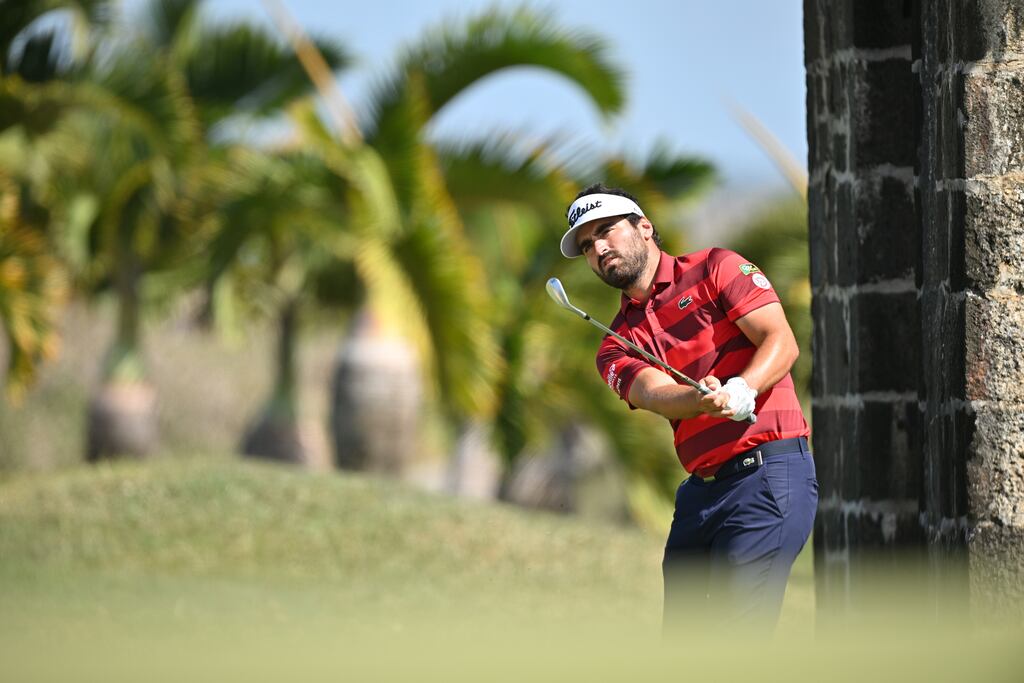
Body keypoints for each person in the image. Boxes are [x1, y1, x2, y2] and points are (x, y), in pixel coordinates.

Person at [559, 184, 817, 631]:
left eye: (606, 230)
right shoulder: (614, 344)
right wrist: (700, 400)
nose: (599, 248)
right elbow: (654, 394)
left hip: (766, 474)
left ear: (644, 227)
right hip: (700, 495)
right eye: (587, 245)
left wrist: (742, 388)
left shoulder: (717, 268)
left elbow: (781, 341)